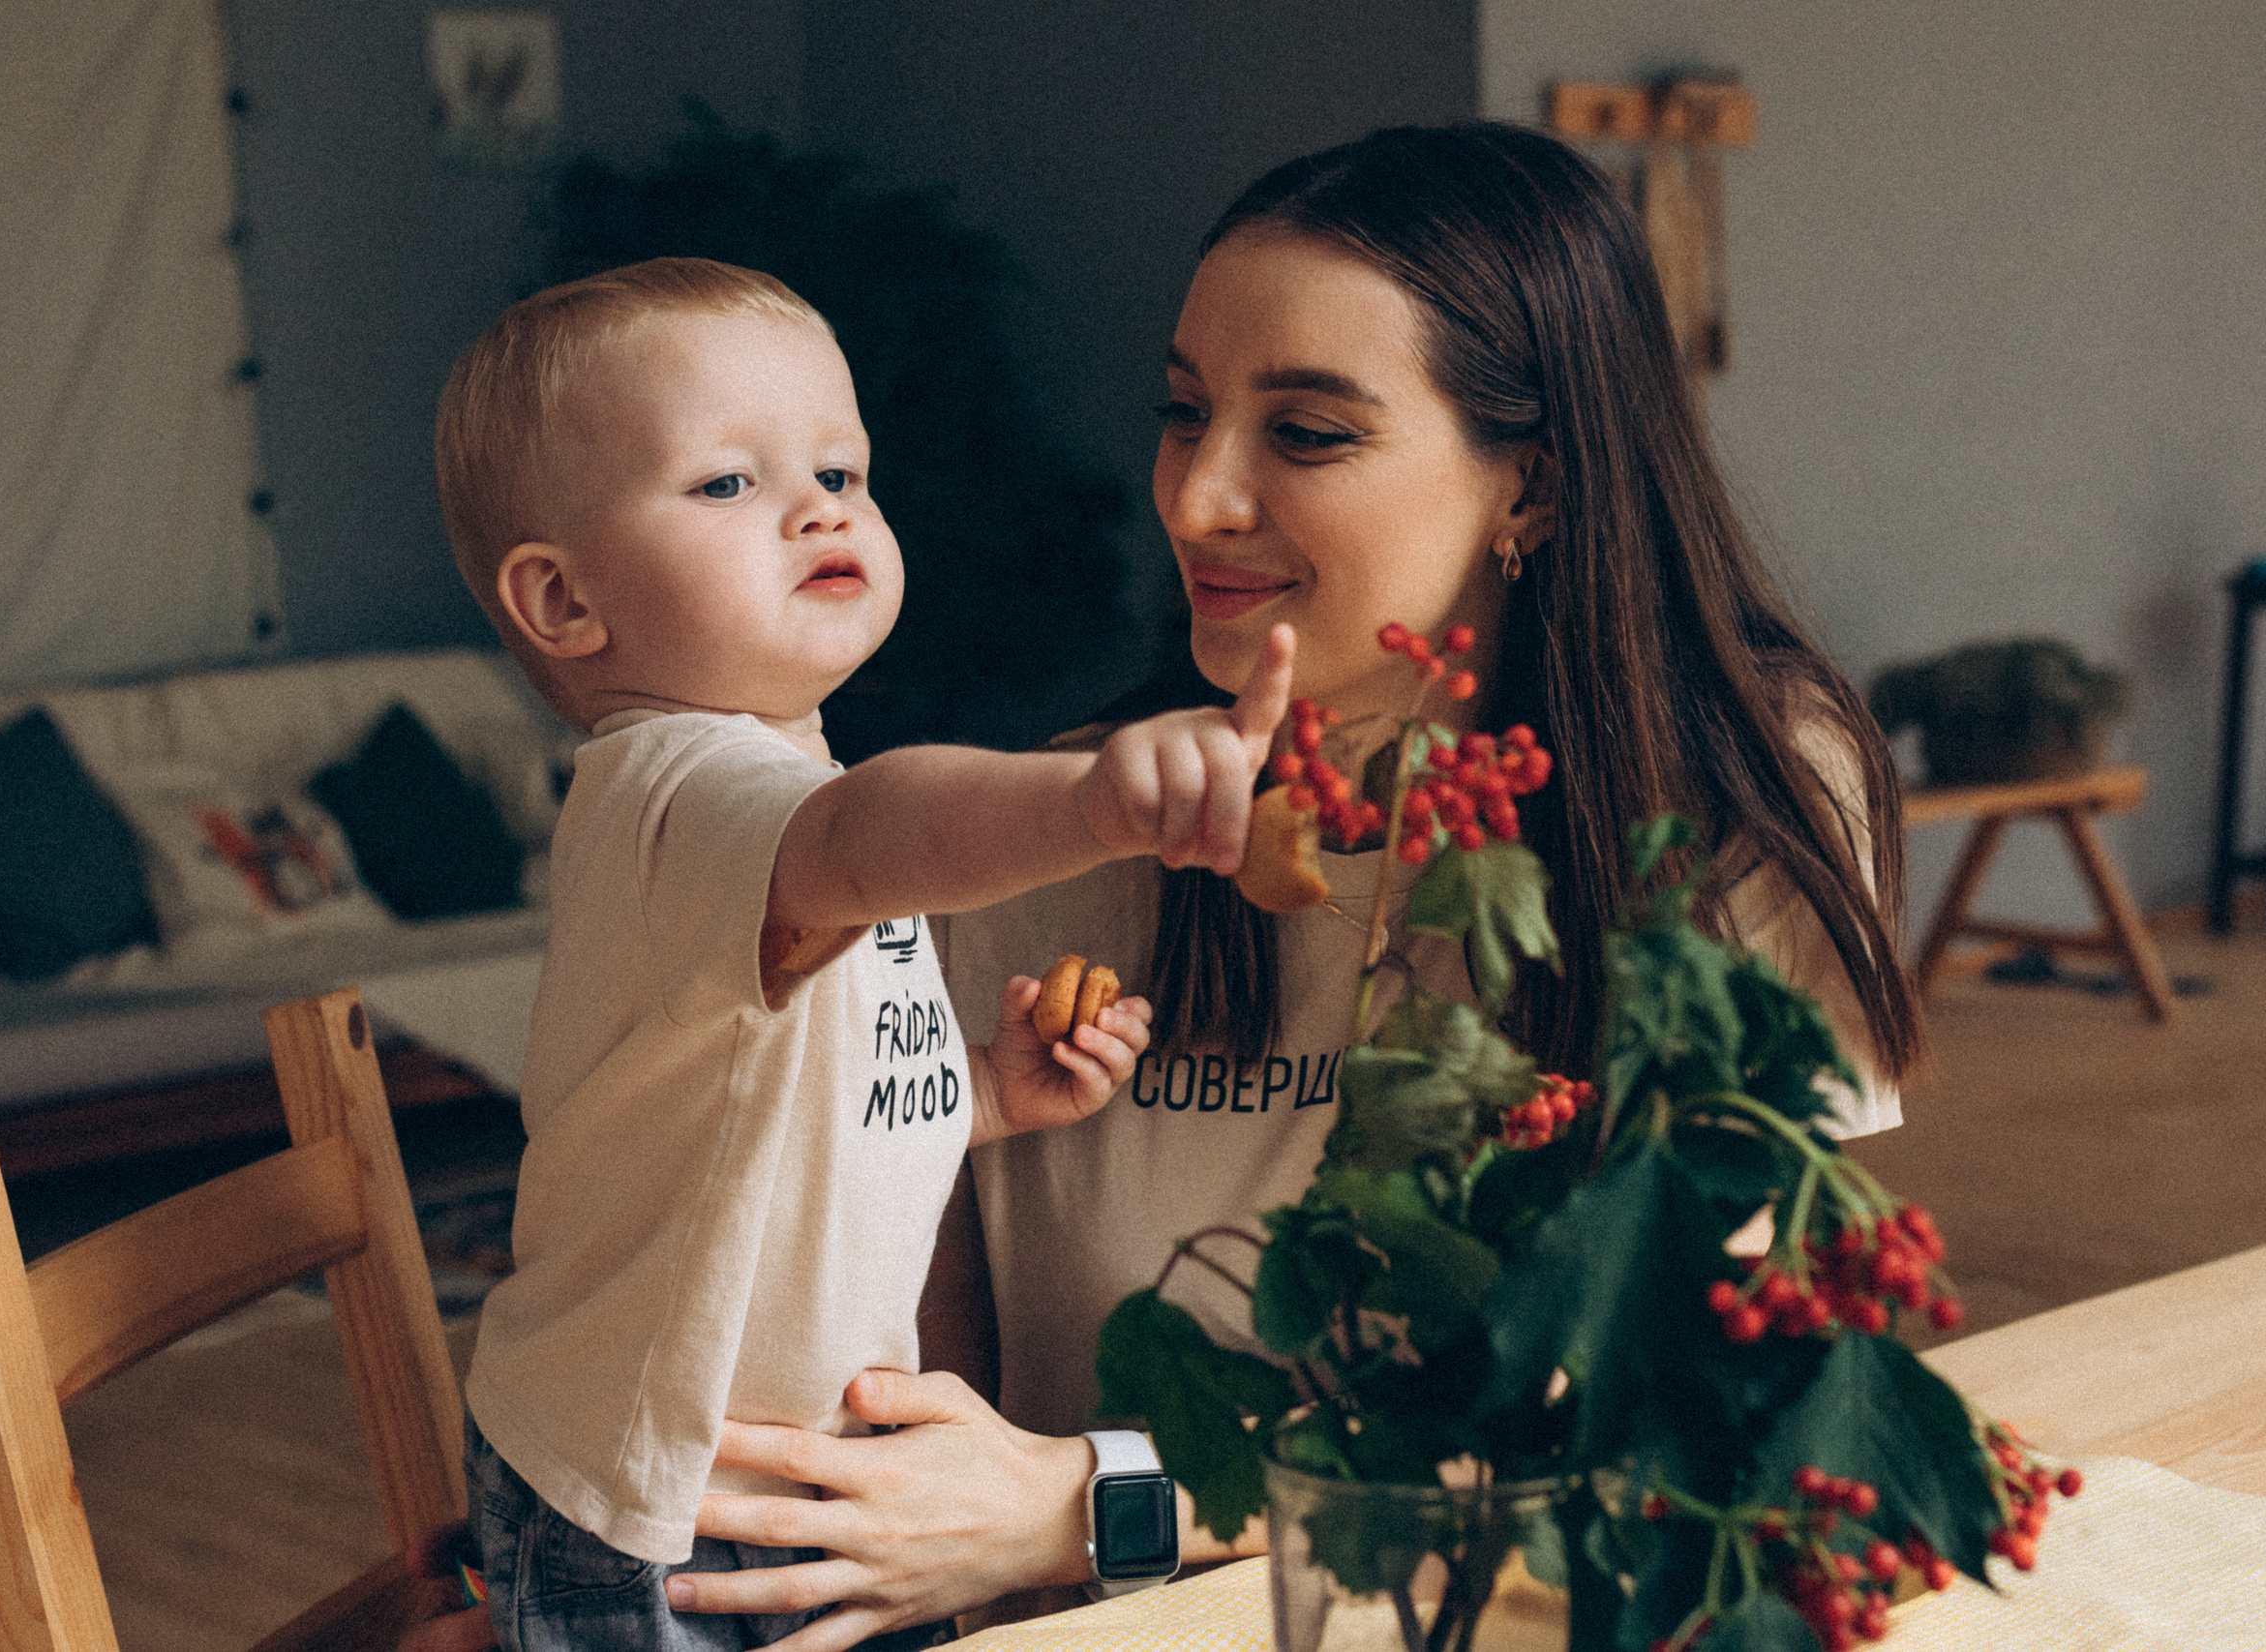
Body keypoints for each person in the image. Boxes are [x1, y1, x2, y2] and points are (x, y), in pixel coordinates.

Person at [632, 122, 1922, 1652]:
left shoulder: (1729, 798)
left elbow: (1664, 1413)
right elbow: (903, 1413)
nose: (1193, 501)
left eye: (1307, 434)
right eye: (1184, 415)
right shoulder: (1042, 840)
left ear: (1538, 489)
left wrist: (1088, 1503)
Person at [432, 255, 1296, 1652]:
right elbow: (879, 826)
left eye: (843, 467)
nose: (819, 506)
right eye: (728, 484)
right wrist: (1088, 802)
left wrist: (979, 1093)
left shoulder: (773, 788)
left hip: (788, 1479)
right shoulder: (682, 791)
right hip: (667, 1505)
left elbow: (773, 1102)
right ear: (565, 604)